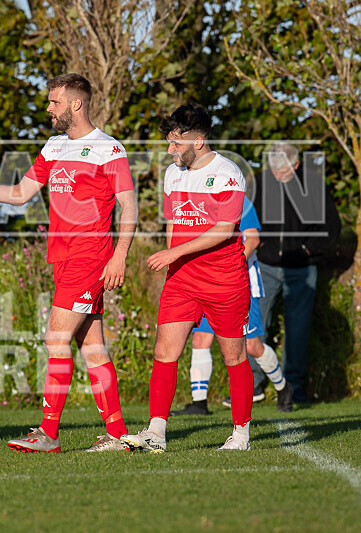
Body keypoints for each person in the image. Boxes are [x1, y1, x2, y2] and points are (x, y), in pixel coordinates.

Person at [0, 73, 138, 453]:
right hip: (61, 258)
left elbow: (129, 204)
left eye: (54, 102)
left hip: (90, 256)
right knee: (91, 345)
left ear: (76, 104)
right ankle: (118, 435)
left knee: (56, 338)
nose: (48, 108)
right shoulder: (53, 146)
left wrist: (120, 256)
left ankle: (48, 433)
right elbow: (19, 194)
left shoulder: (108, 150)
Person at [120, 103, 254, 452]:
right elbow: (174, 223)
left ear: (198, 140)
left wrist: (173, 253)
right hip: (181, 280)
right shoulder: (172, 173)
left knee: (234, 356)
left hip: (224, 279)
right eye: (168, 142)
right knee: (165, 349)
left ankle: (240, 436)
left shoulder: (227, 172)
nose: (170, 150)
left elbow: (225, 230)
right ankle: (156, 433)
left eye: (176, 143)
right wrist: (171, 257)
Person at [171, 195, 293, 415]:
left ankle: (283, 388)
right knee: (200, 338)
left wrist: (229, 267)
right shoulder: (198, 201)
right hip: (207, 284)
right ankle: (199, 404)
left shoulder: (239, 199)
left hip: (239, 283)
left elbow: (253, 240)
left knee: (251, 345)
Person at [253, 142, 341, 404]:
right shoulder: (258, 183)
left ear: (296, 164)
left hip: (302, 269)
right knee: (255, 328)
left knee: (298, 329)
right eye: (274, 170)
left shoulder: (313, 185)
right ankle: (253, 386)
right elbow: (245, 220)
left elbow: (332, 226)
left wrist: (306, 249)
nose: (277, 175)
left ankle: (294, 388)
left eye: (283, 171)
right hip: (265, 266)